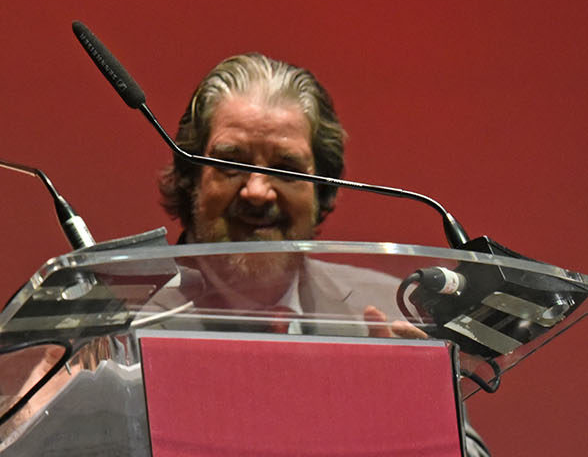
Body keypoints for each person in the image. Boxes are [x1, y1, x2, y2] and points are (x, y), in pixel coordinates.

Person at [153, 51, 489, 456]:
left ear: (321, 189)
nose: (258, 191)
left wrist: (418, 418)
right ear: (191, 180)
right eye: (231, 163)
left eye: (287, 168)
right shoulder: (123, 321)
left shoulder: (390, 310)